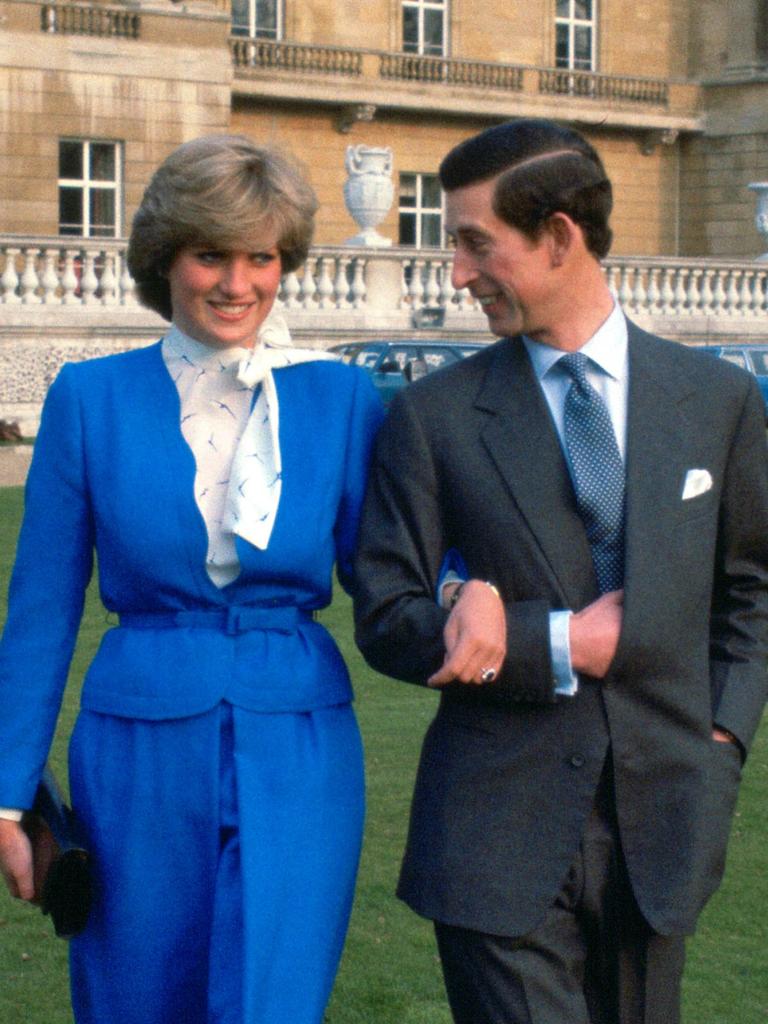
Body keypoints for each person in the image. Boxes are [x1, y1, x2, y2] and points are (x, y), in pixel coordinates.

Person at [353, 118, 768, 1024]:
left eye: (473, 244)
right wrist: (553, 643)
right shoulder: (433, 417)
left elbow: (754, 592)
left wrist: (724, 742)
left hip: (663, 829)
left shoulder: (720, 401)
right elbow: (386, 612)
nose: (456, 273)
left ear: (558, 238)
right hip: (492, 838)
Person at [0, 134, 384, 1024]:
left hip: (300, 747)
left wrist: (466, 594)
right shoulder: (88, 399)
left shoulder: (344, 400)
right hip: (135, 748)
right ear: (165, 258)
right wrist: (7, 797)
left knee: (273, 1002)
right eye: (212, 253)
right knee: (138, 998)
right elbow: (41, 613)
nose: (238, 283)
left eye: (262, 257)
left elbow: (388, 575)